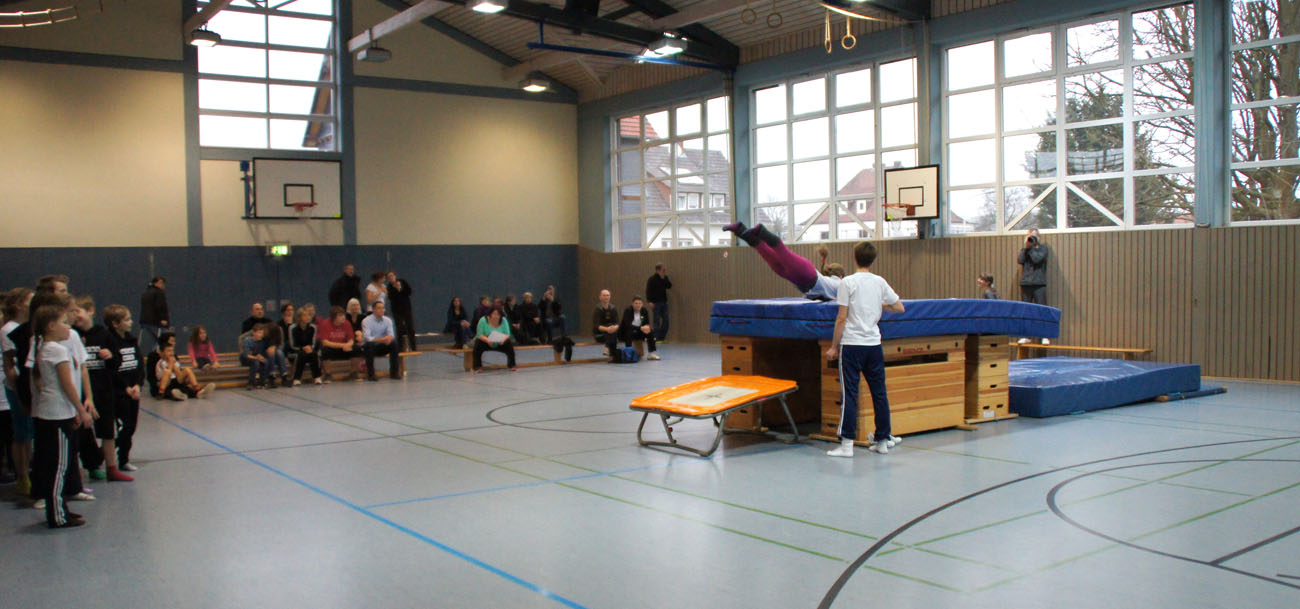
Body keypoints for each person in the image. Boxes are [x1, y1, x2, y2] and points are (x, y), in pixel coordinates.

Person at [823, 242, 906, 458]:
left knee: (850, 394)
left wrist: (833, 346)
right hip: (873, 345)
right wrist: (880, 305)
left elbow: (841, 317)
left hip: (852, 344)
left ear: (855, 257)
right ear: (873, 260)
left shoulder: (848, 282)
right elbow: (899, 307)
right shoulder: (879, 282)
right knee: (879, 393)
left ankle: (847, 445)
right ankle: (882, 441)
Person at [30, 303, 94, 528]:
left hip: (57, 412)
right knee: (58, 466)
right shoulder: (56, 350)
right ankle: (57, 515)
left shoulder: (46, 347)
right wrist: (81, 410)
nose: (69, 327)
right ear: (51, 326)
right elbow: (66, 384)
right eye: (64, 322)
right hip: (56, 415)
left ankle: (60, 508)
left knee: (58, 464)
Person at [75, 296, 134, 482]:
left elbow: (117, 362)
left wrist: (110, 356)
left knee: (108, 430)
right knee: (83, 432)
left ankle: (111, 467)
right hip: (82, 392)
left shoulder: (103, 335)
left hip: (103, 390)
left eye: (78, 311)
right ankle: (91, 465)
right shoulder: (73, 335)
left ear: (90, 311)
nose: (75, 316)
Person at [724, 222, 846, 300]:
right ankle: (761, 231)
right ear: (840, 276)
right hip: (807, 275)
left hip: (798, 279)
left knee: (765, 252)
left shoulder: (827, 288)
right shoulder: (840, 284)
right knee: (781, 251)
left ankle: (740, 229)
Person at [103, 304, 143, 473]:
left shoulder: (131, 340)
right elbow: (112, 369)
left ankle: (123, 458)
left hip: (134, 390)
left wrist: (137, 384)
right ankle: (109, 455)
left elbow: (139, 364)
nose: (131, 322)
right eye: (127, 319)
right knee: (124, 426)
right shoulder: (109, 341)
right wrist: (125, 387)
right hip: (119, 393)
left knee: (131, 426)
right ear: (115, 323)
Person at [1017, 228, 1051, 345]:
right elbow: (1020, 260)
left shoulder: (1043, 248)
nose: (1031, 238)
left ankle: (1044, 336)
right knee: (1026, 311)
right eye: (1029, 236)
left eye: (1034, 236)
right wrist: (1026, 247)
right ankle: (1026, 335)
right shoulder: (1025, 249)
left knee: (1041, 310)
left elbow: (1037, 259)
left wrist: (1031, 248)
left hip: (1039, 283)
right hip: (1026, 283)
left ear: (1039, 237)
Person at [362, 301, 401, 381]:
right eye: (379, 308)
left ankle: (394, 373)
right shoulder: (366, 321)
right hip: (370, 347)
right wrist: (382, 339)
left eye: (383, 308)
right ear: (373, 310)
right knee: (369, 345)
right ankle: (371, 374)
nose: (382, 310)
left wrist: (388, 339)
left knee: (394, 344)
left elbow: (391, 335)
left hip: (382, 345)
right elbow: (368, 338)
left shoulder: (388, 320)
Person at [318, 306, 360, 379]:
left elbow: (351, 339)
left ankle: (354, 372)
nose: (343, 317)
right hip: (332, 348)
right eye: (340, 315)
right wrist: (343, 345)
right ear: (334, 317)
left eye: (343, 315)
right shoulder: (325, 324)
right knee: (325, 350)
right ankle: (328, 374)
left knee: (356, 349)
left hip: (344, 349)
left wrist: (348, 345)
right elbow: (325, 342)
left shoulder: (347, 323)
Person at [472, 307, 517, 373]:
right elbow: (479, 334)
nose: (496, 316)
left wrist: (503, 340)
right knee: (478, 343)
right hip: (486, 341)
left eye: (498, 314)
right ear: (490, 314)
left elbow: (507, 333)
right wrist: (487, 340)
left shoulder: (504, 320)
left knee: (509, 343)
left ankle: (512, 365)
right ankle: (477, 366)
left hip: (499, 342)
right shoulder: (483, 320)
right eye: (494, 314)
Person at [620, 296, 661, 361]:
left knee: (650, 331)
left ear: (642, 304)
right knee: (628, 332)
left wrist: (647, 327)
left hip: (639, 332)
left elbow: (647, 323)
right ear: (632, 304)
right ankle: (629, 353)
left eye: (639, 303)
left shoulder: (644, 310)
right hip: (627, 332)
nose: (638, 305)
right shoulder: (628, 310)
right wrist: (640, 328)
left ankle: (651, 353)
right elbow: (627, 325)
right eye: (636, 303)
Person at [289, 308, 322, 386]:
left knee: (314, 354)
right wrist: (302, 348)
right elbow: (292, 344)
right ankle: (296, 378)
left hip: (309, 349)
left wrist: (310, 347)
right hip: (296, 350)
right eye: (305, 315)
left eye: (309, 315)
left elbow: (313, 342)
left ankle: (317, 377)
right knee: (302, 355)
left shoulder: (312, 327)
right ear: (299, 317)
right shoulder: (293, 328)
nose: (308, 317)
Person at [386, 271, 416, 351]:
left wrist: (400, 289)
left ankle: (413, 347)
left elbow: (409, 292)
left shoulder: (403, 282)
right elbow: (390, 297)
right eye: (389, 277)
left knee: (410, 327)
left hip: (406, 308)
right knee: (400, 328)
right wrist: (396, 289)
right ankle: (400, 348)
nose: (391, 278)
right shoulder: (389, 287)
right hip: (396, 310)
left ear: (395, 276)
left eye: (392, 276)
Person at [138, 276, 170, 352]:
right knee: (165, 338)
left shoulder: (145, 293)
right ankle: (156, 354)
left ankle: (154, 353)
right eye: (161, 283)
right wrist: (163, 318)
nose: (163, 285)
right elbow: (160, 306)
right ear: (156, 283)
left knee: (156, 340)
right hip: (156, 322)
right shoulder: (159, 293)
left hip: (145, 322)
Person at [645, 264, 672, 341]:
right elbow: (648, 291)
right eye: (663, 270)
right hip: (655, 303)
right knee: (656, 321)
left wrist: (664, 279)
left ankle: (661, 337)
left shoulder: (665, 278)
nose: (664, 272)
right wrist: (649, 301)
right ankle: (656, 337)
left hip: (664, 302)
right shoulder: (652, 279)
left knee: (666, 320)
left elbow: (669, 286)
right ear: (658, 270)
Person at [240, 324, 271, 389]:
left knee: (265, 362)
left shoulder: (262, 341)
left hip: (256, 358)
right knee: (255, 363)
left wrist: (262, 357)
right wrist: (257, 358)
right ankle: (250, 383)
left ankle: (262, 382)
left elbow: (262, 353)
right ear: (254, 333)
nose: (261, 335)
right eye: (259, 333)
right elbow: (246, 355)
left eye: (262, 333)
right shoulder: (247, 340)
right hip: (246, 359)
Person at [591, 289, 620, 357]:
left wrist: (614, 328)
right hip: (600, 335)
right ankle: (611, 351)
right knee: (612, 333)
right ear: (600, 297)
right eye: (604, 295)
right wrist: (607, 329)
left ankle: (609, 350)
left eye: (607, 295)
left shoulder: (613, 308)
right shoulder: (597, 309)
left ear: (610, 297)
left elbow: (617, 323)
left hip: (611, 332)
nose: (606, 297)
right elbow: (597, 326)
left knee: (612, 330)